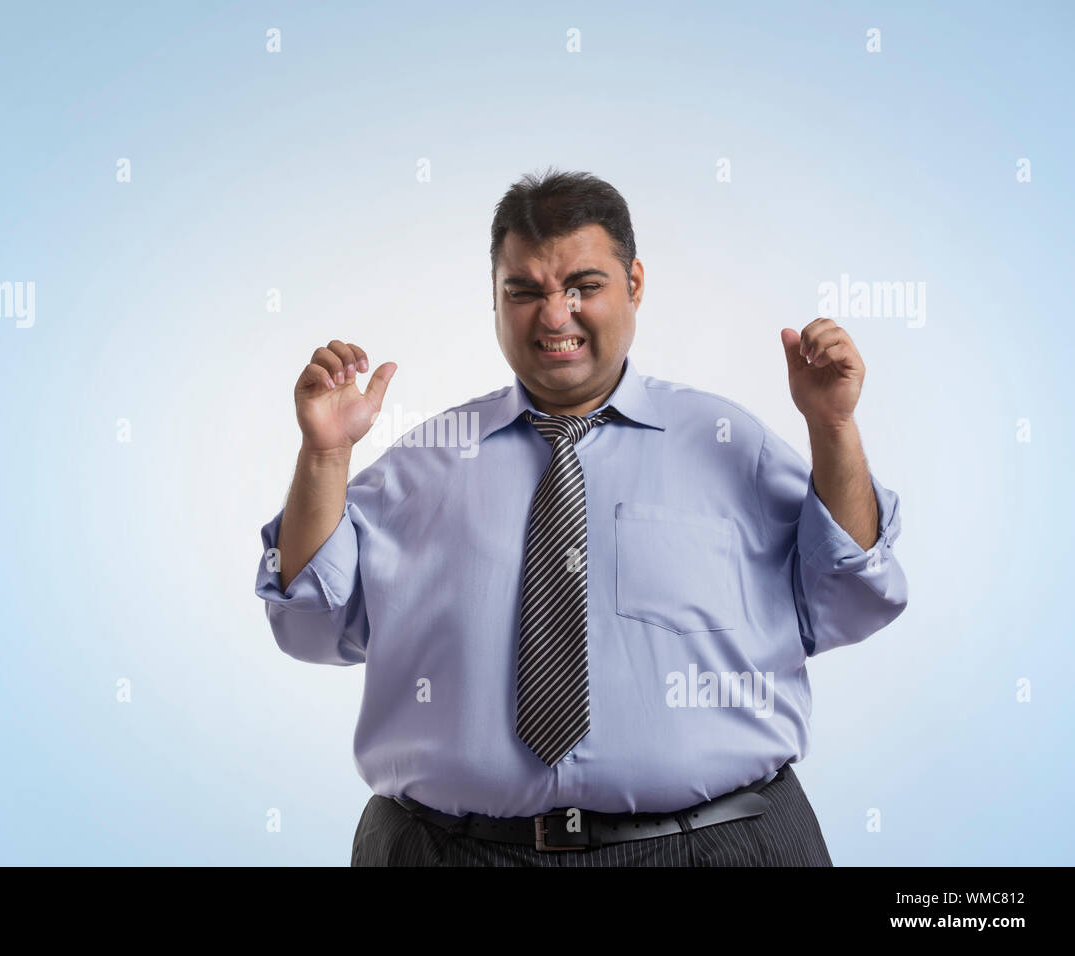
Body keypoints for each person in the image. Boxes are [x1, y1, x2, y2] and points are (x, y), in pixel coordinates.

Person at [253, 168, 908, 866]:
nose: (554, 315)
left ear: (635, 285)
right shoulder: (423, 464)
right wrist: (324, 454)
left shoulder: (727, 444)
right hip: (446, 851)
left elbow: (852, 599)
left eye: (583, 287)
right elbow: (309, 627)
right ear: (496, 299)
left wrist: (833, 426)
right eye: (524, 291)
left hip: (719, 845)